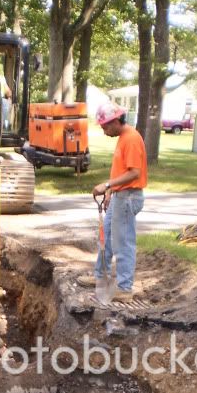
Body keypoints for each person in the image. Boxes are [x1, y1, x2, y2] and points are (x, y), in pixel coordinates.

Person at [80, 102, 147, 302]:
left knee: (123, 242)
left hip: (128, 197)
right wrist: (111, 190)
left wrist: (107, 184)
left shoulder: (132, 139)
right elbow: (123, 170)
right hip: (119, 195)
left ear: (116, 121)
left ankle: (125, 288)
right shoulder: (122, 137)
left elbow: (135, 173)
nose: (104, 131)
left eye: (105, 127)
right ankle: (101, 276)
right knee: (106, 238)